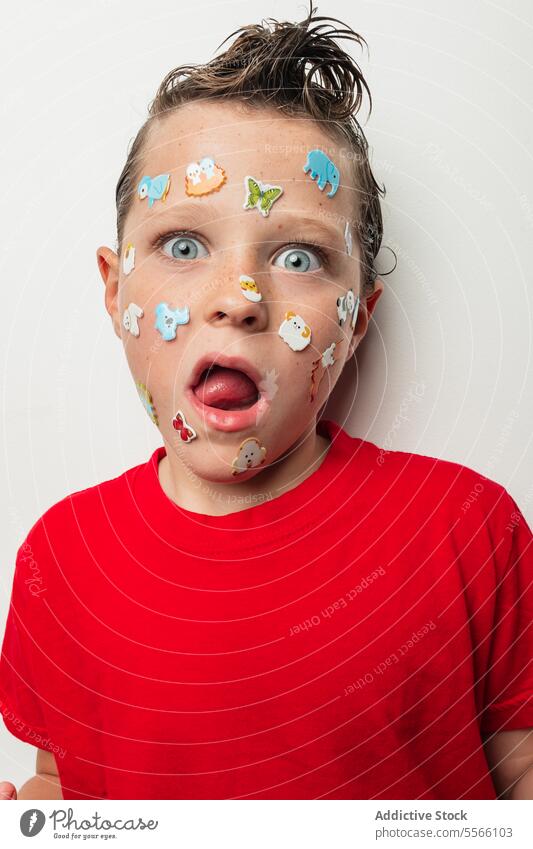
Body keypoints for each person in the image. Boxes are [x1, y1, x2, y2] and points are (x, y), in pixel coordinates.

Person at [1, 3, 532, 801]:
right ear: (115, 293)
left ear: (358, 320)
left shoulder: (465, 528)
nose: (239, 299)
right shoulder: (60, 556)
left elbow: (517, 773)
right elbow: (62, 781)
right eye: (183, 245)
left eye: (298, 255)